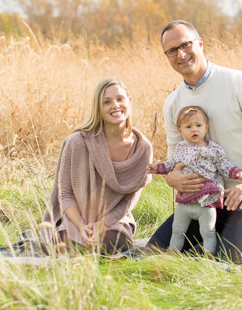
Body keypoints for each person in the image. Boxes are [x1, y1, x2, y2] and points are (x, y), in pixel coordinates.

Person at [145, 20, 242, 261]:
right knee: (156, 254)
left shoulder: (238, 84)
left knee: (232, 259)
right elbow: (175, 157)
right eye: (172, 50)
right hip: (204, 200)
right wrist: (173, 178)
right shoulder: (173, 102)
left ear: (200, 44)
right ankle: (227, 233)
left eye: (186, 44)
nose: (181, 54)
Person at [15, 77, 152, 255]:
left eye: (120, 99)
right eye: (107, 102)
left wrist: (102, 224)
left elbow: (129, 200)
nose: (115, 105)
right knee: (65, 247)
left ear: (129, 101)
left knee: (114, 244)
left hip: (113, 220)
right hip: (74, 217)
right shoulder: (77, 143)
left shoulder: (142, 149)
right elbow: (64, 194)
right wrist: (81, 226)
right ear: (98, 108)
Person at [146, 105, 242, 254]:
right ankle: (172, 253)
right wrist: (156, 168)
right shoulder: (181, 148)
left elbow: (224, 165)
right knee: (177, 230)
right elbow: (171, 164)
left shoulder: (213, 150)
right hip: (184, 202)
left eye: (198, 125)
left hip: (206, 202)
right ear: (180, 131)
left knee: (208, 231)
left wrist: (236, 172)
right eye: (188, 127)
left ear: (206, 127)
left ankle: (209, 254)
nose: (194, 130)